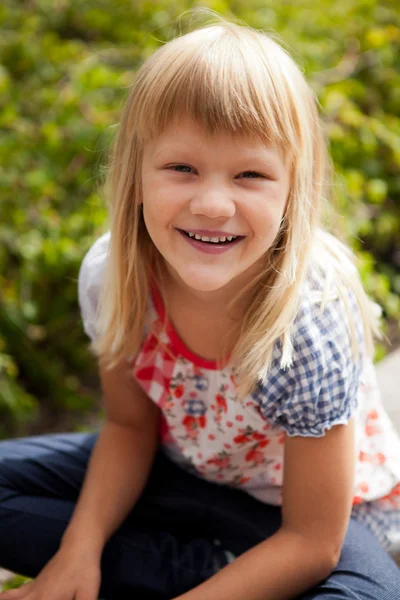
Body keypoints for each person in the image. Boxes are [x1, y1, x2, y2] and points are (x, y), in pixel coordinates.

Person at [1, 15, 400, 600]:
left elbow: (314, 543)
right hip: (177, 471)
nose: (213, 204)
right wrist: (76, 551)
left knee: (367, 595)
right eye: (182, 168)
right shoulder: (115, 276)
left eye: (250, 175)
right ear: (137, 173)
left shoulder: (308, 322)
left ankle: (190, 575)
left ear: (294, 190)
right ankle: (200, 569)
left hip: (292, 514)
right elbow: (129, 425)